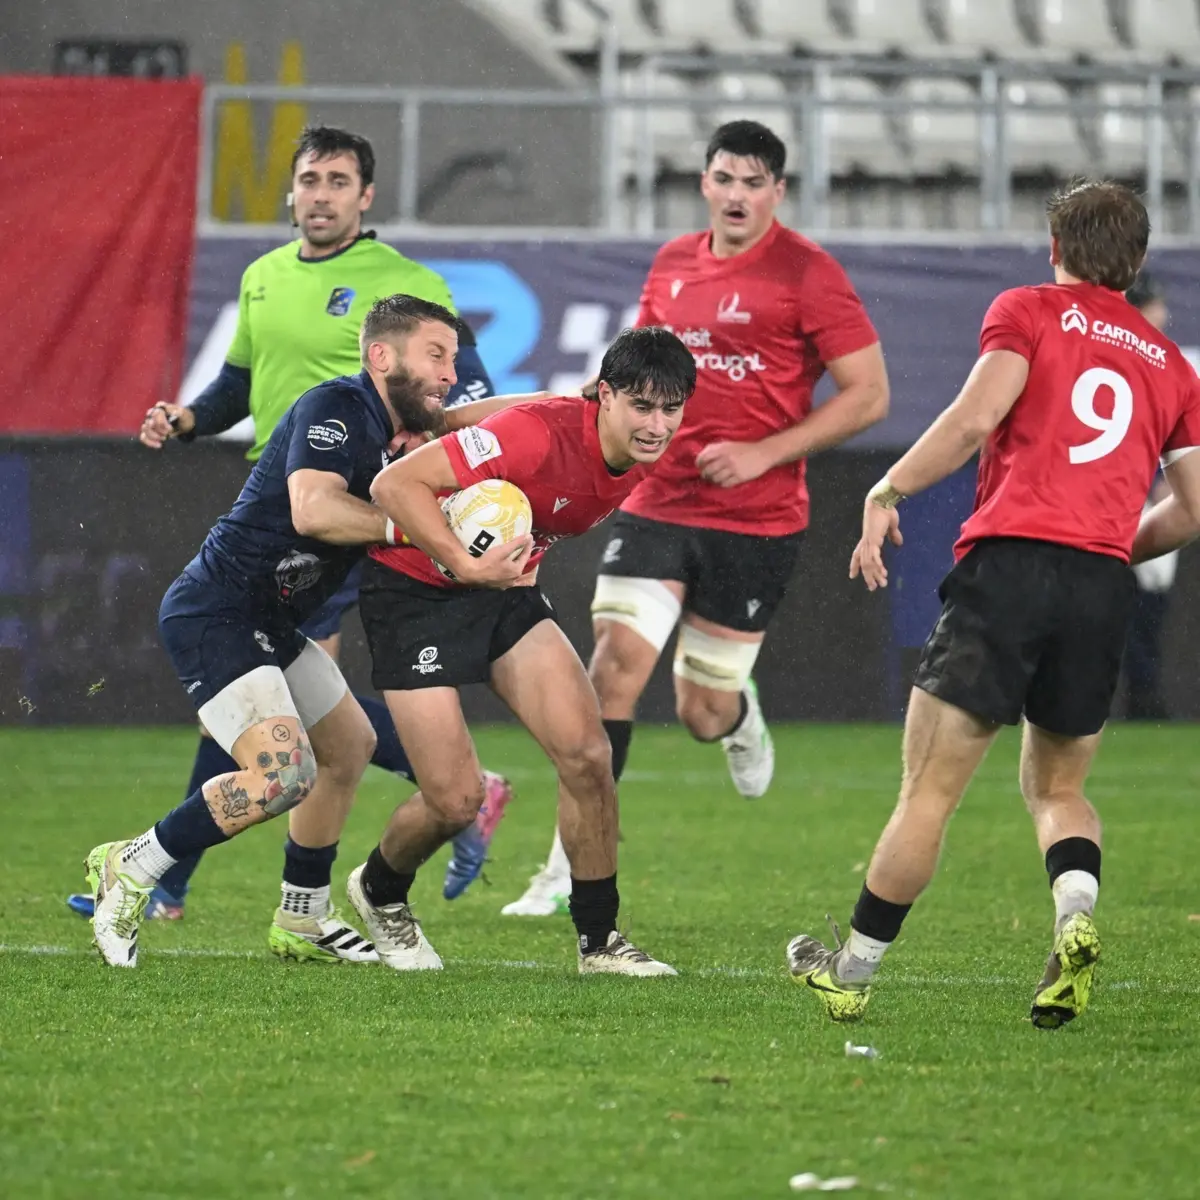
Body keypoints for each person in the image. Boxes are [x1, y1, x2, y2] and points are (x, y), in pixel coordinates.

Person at [67, 125, 510, 931]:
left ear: (366, 196)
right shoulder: (266, 281)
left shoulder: (405, 287)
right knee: (284, 755)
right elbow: (243, 383)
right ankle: (154, 869)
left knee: (315, 741)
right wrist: (193, 416)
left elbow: (453, 396)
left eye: (339, 181)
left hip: (339, 529)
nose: (321, 194)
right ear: (293, 190)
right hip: (307, 518)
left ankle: (296, 909)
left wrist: (563, 409)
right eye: (310, 179)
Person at [785, 180, 1200, 1029]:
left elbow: (976, 418)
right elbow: (1194, 508)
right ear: (1138, 261)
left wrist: (889, 488)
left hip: (1010, 567)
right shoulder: (1170, 364)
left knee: (930, 789)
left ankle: (852, 972)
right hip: (1099, 584)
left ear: (1055, 248)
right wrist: (1114, 545)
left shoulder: (1029, 310)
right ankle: (1073, 921)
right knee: (1059, 789)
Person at [502, 120, 889, 917]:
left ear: (778, 191)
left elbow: (870, 395)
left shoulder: (810, 274)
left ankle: (738, 716)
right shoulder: (674, 263)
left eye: (755, 182)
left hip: (757, 517)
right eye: (725, 179)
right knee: (609, 671)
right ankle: (565, 867)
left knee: (700, 712)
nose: (738, 195)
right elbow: (631, 366)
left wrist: (765, 452)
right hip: (658, 500)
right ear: (704, 183)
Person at [346, 326, 696, 975]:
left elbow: (530, 404)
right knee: (455, 801)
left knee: (589, 757)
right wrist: (461, 561)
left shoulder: (628, 441)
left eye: (671, 408)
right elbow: (393, 487)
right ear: (607, 396)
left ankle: (599, 943)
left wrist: (448, 420)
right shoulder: (541, 435)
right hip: (413, 594)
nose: (657, 424)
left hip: (503, 594)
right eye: (643, 406)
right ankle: (377, 891)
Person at [1123, 272, 1178, 720]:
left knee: (1152, 604)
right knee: (1133, 606)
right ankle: (1143, 699)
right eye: (1158, 304)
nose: (1166, 315)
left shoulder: (1162, 361)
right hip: (1130, 497)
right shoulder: (1129, 356)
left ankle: (1146, 696)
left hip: (1159, 496)